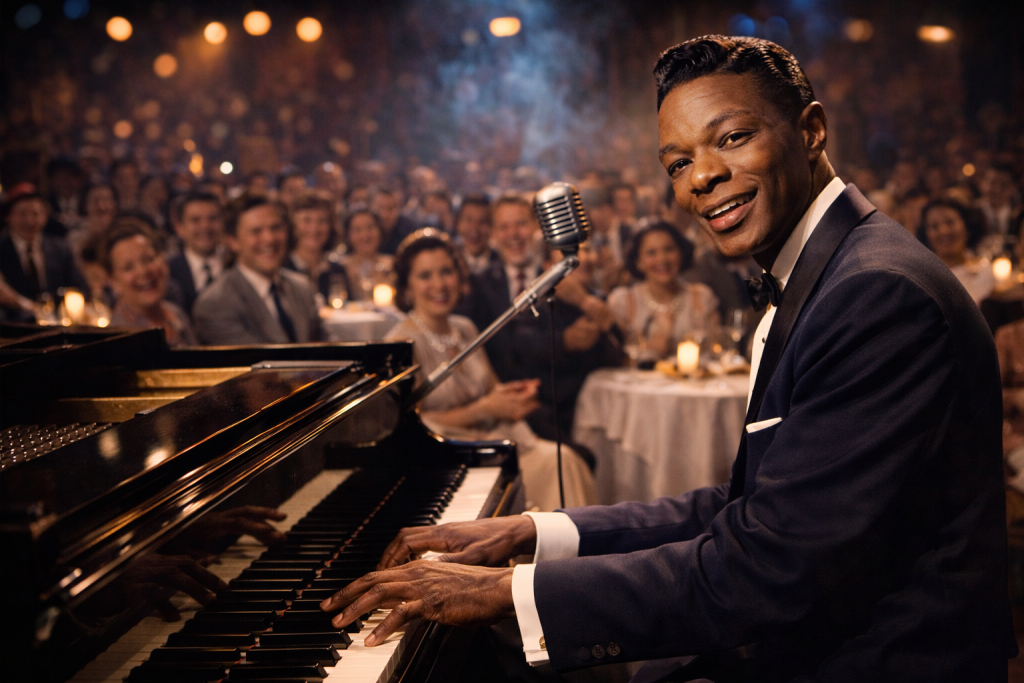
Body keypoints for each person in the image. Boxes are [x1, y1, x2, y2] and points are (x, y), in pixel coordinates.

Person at [321, 35, 1011, 682]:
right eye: (678, 163)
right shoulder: (838, 269)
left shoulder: (874, 293)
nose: (702, 177)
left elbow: (769, 567)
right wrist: (534, 530)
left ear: (810, 130)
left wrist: (509, 589)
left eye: (733, 137)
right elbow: (751, 506)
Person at [387, 232, 596, 512]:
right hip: (448, 458)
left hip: (494, 442)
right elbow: (410, 426)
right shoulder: (401, 345)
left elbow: (492, 390)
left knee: (567, 459)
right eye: (425, 276)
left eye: (446, 272)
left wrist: (514, 395)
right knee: (560, 464)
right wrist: (484, 409)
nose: (439, 284)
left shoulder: (465, 328)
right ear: (407, 286)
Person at [193, 196, 322, 345]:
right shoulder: (215, 303)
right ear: (232, 242)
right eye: (256, 231)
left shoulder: (301, 286)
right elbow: (258, 363)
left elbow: (325, 348)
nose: (269, 239)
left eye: (276, 228)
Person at [608, 222, 719, 361]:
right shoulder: (622, 302)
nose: (662, 259)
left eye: (669, 249)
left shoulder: (702, 297)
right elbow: (616, 360)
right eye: (651, 253)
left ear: (681, 253)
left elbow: (716, 354)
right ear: (638, 261)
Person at [103, 220, 196, 347]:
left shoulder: (176, 314)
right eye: (128, 267)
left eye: (148, 259)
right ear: (113, 282)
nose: (143, 271)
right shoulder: (118, 339)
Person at [0, 185, 88, 304]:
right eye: (22, 214)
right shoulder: (2, 249)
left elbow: (80, 288)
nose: (29, 221)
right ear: (8, 217)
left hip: (56, 319)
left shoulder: (60, 249)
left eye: (35, 214)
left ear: (45, 216)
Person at [919, 198, 993, 304]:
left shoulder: (986, 268)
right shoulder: (923, 280)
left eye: (950, 222)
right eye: (934, 226)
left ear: (966, 226)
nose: (943, 231)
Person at [167, 192, 228, 318]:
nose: (205, 226)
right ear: (179, 228)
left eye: (212, 219)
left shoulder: (237, 264)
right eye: (195, 220)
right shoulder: (168, 271)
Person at [284, 193, 351, 304]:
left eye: (322, 221)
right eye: (306, 220)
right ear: (293, 226)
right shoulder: (283, 270)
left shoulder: (337, 271)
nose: (314, 229)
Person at [340, 208, 394, 302]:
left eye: (370, 228)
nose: (364, 235)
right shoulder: (340, 268)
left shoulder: (393, 266)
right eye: (357, 230)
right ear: (348, 235)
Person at [453, 193, 501, 275]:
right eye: (468, 220)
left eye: (482, 221)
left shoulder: (502, 262)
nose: (474, 228)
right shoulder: (450, 261)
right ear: (458, 224)